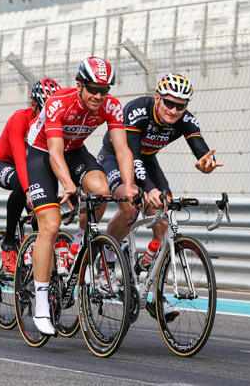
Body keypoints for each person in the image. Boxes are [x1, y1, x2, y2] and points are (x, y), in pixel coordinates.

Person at [26, 57, 138, 335]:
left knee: (100, 190)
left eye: (105, 89)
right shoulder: (58, 103)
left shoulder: (111, 106)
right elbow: (53, 152)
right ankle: (41, 303)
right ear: (79, 85)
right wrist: (68, 185)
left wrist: (129, 184)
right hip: (41, 152)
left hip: (74, 149)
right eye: (93, 89)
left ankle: (78, 243)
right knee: (50, 225)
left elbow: (122, 150)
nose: (99, 96)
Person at [98, 72, 222, 319]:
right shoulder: (137, 111)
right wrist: (148, 189)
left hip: (146, 160)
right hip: (117, 158)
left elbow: (202, 151)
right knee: (130, 206)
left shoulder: (185, 119)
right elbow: (132, 157)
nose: (174, 110)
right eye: (169, 103)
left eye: (181, 106)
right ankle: (105, 266)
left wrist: (207, 163)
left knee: (163, 222)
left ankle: (155, 293)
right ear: (157, 98)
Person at [0, 77, 61, 273]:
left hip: (31, 166)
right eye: (45, 110)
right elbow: (21, 159)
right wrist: (30, 191)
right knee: (23, 186)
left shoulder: (53, 123)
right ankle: (9, 241)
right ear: (33, 105)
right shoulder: (19, 119)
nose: (49, 116)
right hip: (4, 163)